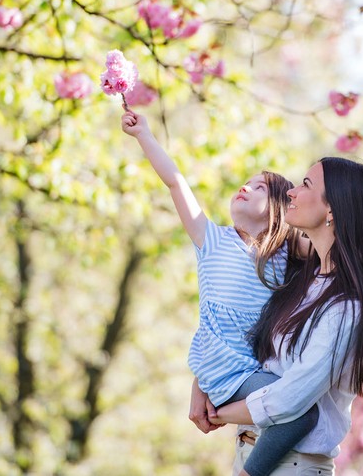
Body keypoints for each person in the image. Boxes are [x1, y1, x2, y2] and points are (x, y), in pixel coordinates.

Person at [121, 109, 318, 476]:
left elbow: (331, 243)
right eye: (247, 182)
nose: (246, 187)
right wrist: (144, 135)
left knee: (298, 411)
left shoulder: (287, 251)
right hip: (225, 368)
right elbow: (176, 183)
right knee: (300, 414)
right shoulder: (211, 240)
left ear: (277, 211)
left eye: (260, 187)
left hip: (252, 365)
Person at [203, 157, 363, 475]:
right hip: (251, 452)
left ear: (332, 211)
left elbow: (291, 400)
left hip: (293, 466)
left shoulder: (346, 308)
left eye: (306, 184)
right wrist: (202, 384)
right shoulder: (301, 280)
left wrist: (219, 410)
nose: (291, 192)